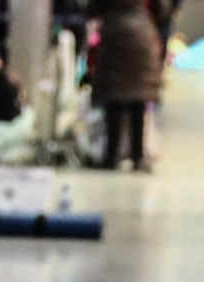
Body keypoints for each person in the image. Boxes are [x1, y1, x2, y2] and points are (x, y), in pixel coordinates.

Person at [89, 0, 166, 171]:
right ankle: (137, 156)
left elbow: (92, 8)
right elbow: (162, 9)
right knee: (138, 100)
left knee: (114, 100)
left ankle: (111, 156)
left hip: (113, 35)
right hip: (142, 35)